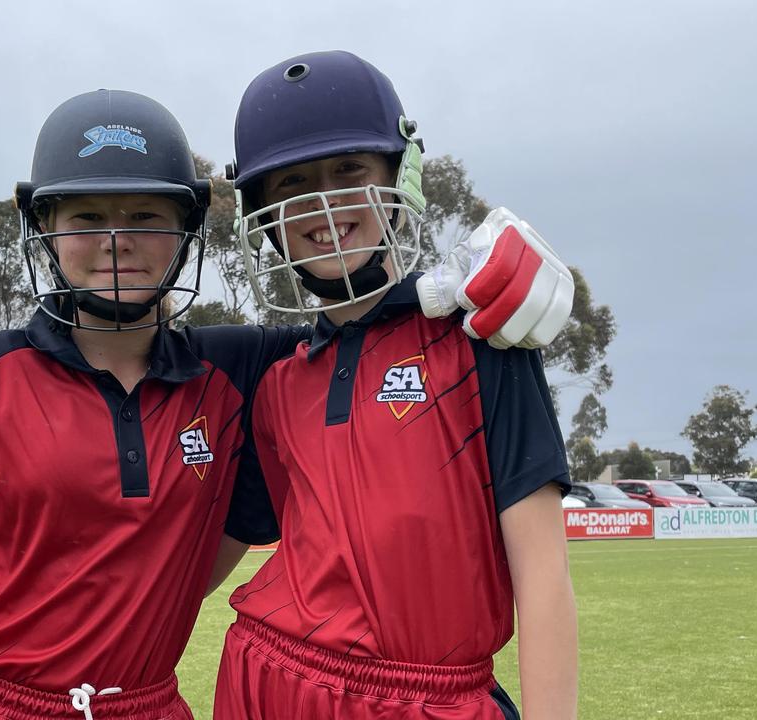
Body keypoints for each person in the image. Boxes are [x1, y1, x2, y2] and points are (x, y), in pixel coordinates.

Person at [0, 89, 572, 720]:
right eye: (87, 217)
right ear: (46, 228)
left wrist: (503, 272)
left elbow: (366, 322)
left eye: (146, 217)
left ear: (188, 230)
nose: (117, 239)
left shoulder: (247, 370)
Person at [213, 51, 578, 719]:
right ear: (261, 215)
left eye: (348, 169)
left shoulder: (483, 341)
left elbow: (544, 576)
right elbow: (224, 544)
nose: (324, 200)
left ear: (397, 176)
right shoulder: (278, 381)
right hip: (267, 681)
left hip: (429, 699)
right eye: (293, 183)